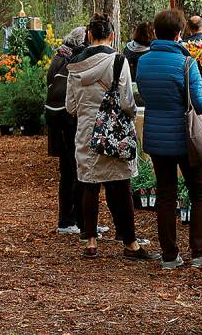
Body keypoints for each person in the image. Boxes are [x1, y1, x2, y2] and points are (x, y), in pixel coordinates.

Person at [136, 9, 202, 270]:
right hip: (185, 138)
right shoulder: (186, 64)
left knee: (165, 195)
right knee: (199, 192)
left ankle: (169, 256)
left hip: (156, 137)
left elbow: (144, 93)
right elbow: (200, 104)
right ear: (178, 34)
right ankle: (199, 252)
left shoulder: (144, 62)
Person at [65, 15, 158, 262]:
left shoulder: (74, 65)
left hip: (86, 130)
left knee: (89, 185)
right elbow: (128, 101)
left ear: (88, 35)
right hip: (114, 131)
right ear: (112, 35)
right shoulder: (118, 61)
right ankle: (130, 243)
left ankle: (91, 242)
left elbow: (70, 106)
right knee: (120, 185)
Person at [45, 26, 87, 235]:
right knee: (75, 170)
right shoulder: (74, 60)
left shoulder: (58, 57)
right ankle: (77, 220)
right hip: (70, 121)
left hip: (56, 122)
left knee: (67, 171)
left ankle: (66, 219)